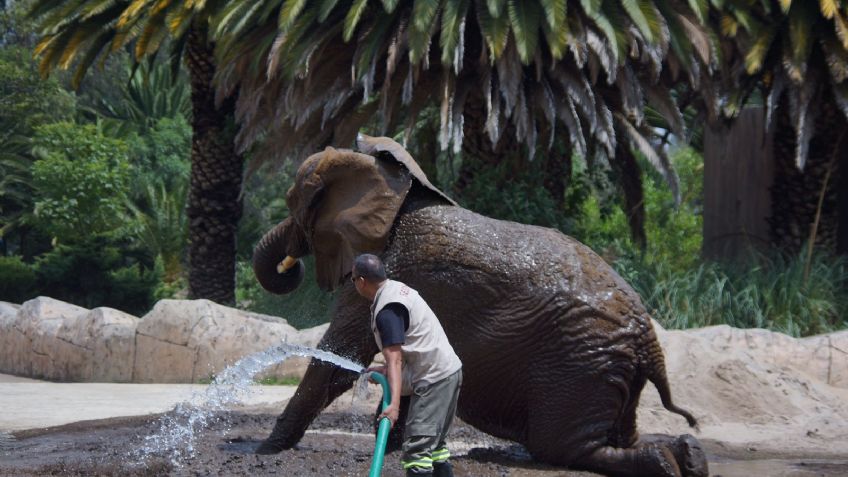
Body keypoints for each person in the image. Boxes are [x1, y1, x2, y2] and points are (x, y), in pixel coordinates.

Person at [352, 253, 463, 477]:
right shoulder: (395, 289)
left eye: (353, 279)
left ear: (361, 282)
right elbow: (410, 347)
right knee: (435, 447)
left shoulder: (387, 310)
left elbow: (395, 358)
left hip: (434, 379)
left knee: (417, 452)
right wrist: (385, 371)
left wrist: (392, 407)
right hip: (447, 371)